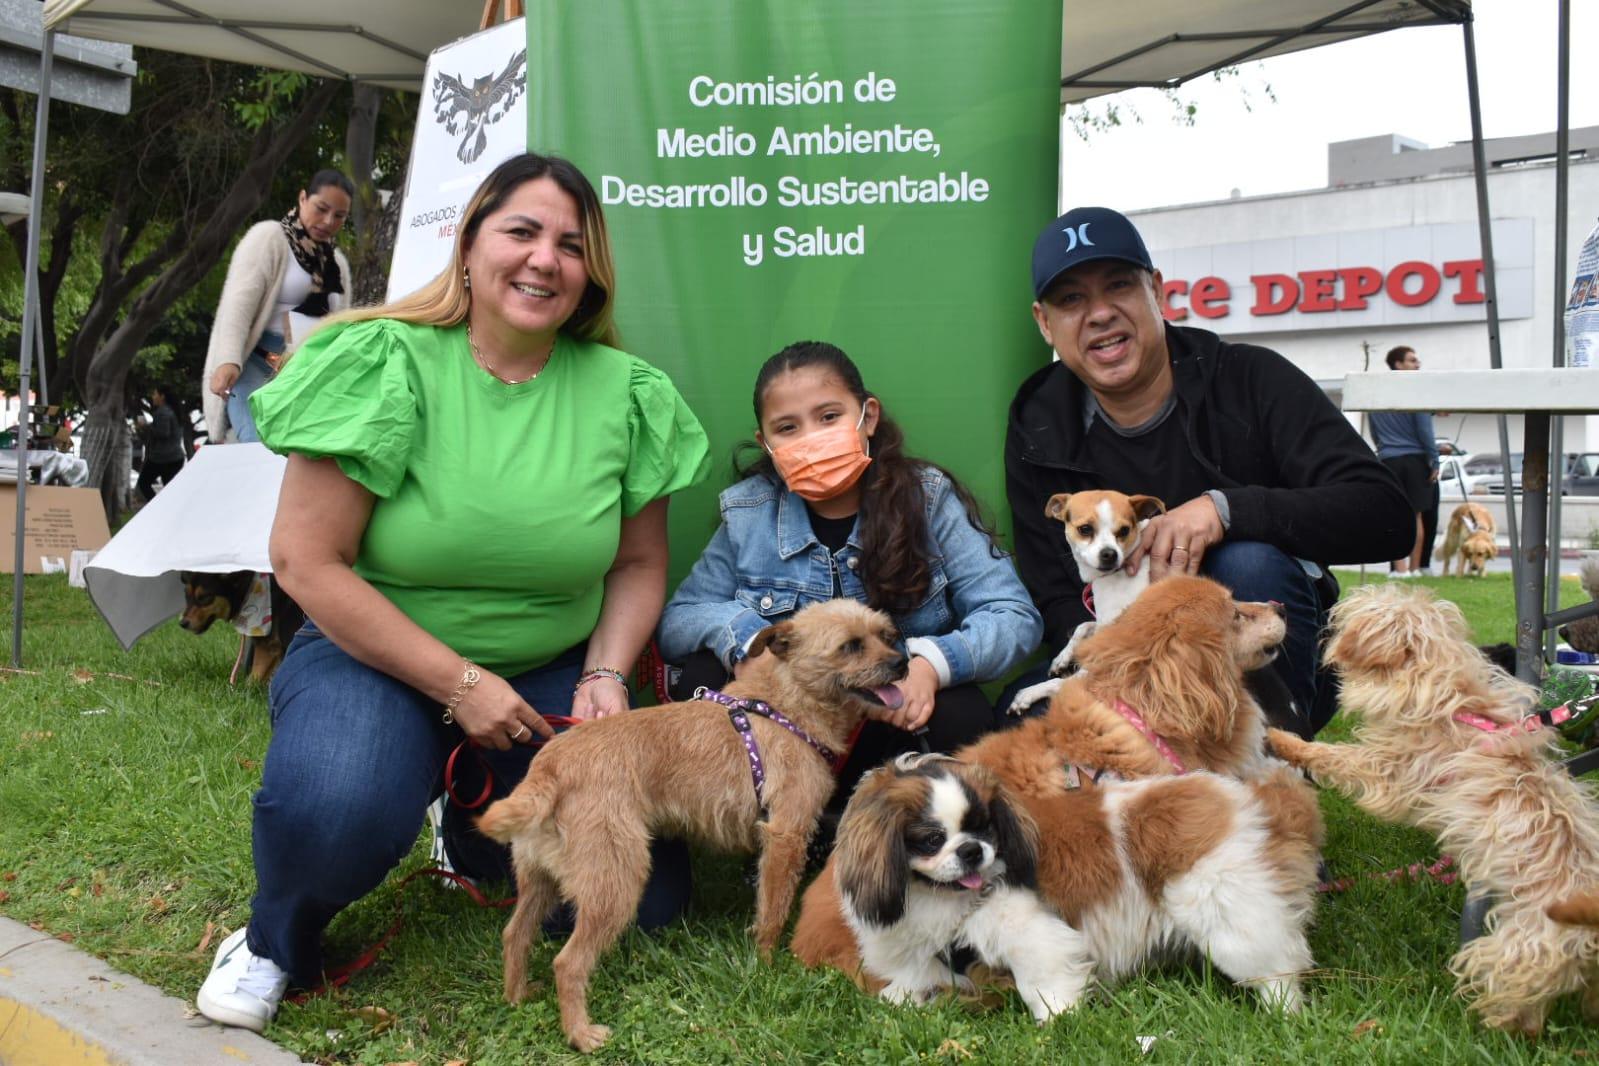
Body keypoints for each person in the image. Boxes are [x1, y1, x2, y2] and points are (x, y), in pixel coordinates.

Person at [195, 153, 711, 1033]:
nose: (544, 259)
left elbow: (634, 566)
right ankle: (273, 939)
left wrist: (606, 677)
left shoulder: (629, 394)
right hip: (377, 655)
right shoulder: (382, 359)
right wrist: (460, 686)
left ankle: (471, 830)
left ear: (592, 273)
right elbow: (307, 562)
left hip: (547, 669)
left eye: (571, 244)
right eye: (521, 231)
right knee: (338, 809)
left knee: (640, 899)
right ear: (469, 243)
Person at [1006, 207, 1412, 737]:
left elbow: (1387, 514)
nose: (1100, 313)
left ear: (1156, 289)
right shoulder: (1040, 419)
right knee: (1023, 723)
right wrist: (1130, 655)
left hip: (1264, 649)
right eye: (1071, 300)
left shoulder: (1251, 378)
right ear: (1044, 322)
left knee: (1248, 563)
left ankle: (1272, 761)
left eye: (1119, 286)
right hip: (1129, 657)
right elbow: (1051, 588)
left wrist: (1226, 510)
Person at [657, 340, 1042, 823]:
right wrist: (752, 641)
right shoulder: (748, 513)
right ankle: (776, 820)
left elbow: (1012, 614)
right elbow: (680, 619)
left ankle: (911, 828)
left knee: (960, 711)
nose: (812, 438)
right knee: (701, 675)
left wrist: (932, 665)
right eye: (787, 428)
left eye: (828, 416)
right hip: (793, 730)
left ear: (868, 416)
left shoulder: (928, 500)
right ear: (767, 445)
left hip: (893, 716)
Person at [202, 170, 355, 444]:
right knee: (258, 448)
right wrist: (228, 360)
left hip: (305, 374)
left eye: (340, 216)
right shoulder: (269, 238)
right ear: (303, 198)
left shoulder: (338, 265)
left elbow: (340, 330)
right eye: (321, 209)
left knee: (297, 461)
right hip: (255, 364)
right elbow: (237, 305)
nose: (329, 221)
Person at [1368, 345, 1439, 577]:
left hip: (1388, 459)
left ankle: (1399, 570)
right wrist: (1434, 460)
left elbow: (1375, 432)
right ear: (1398, 364)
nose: (1417, 364)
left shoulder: (1377, 394)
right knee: (1416, 515)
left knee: (1395, 514)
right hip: (1415, 460)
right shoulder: (1416, 392)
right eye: (1412, 360)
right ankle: (1415, 568)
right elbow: (1425, 431)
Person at [134, 384, 186, 503]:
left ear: (162, 396)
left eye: (155, 394)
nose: (153, 397)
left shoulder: (163, 412)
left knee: (144, 483)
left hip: (162, 458)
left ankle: (157, 506)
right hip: (175, 457)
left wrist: (145, 426)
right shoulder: (173, 411)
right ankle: (168, 510)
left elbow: (163, 433)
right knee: (169, 490)